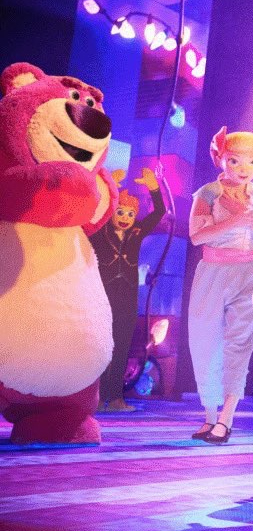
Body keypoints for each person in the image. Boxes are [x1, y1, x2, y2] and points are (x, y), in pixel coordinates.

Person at [188, 127, 253, 444]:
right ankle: (210, 417)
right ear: (221, 159)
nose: (244, 168)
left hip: (248, 272)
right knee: (205, 342)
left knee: (239, 344)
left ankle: (225, 420)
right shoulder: (207, 193)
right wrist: (234, 221)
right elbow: (196, 236)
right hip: (212, 271)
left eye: (252, 161)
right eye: (235, 160)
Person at [91, 167, 165, 413]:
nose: (125, 217)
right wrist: (109, 186)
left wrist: (154, 188)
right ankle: (96, 398)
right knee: (100, 348)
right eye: (120, 212)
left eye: (131, 214)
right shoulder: (100, 231)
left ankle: (115, 398)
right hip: (103, 297)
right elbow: (95, 211)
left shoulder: (136, 232)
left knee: (121, 348)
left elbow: (159, 212)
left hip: (127, 299)